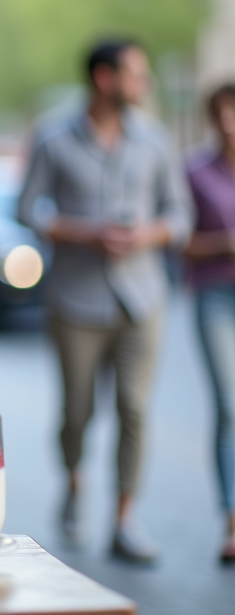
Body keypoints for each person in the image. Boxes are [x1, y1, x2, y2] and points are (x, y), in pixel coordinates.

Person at [17, 37, 192, 563]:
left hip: (142, 298)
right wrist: (84, 232)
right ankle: (73, 481)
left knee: (134, 410)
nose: (144, 85)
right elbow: (28, 210)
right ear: (104, 78)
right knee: (78, 412)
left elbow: (179, 217)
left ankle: (124, 520)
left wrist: (149, 235)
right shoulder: (53, 138)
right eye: (135, 74)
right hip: (74, 300)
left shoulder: (156, 142)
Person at [183, 82, 235, 564]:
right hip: (215, 294)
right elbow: (180, 242)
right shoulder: (195, 172)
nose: (228, 122)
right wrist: (225, 244)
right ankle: (232, 519)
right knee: (228, 404)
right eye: (221, 112)